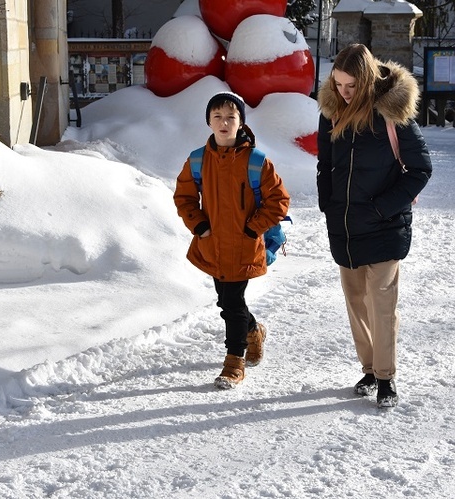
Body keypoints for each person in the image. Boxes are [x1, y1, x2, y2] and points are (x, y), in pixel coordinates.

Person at [316, 44, 432, 408]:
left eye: (351, 86)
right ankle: (369, 369)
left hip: (384, 227)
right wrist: (328, 204)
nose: (344, 93)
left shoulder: (391, 114)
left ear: (366, 80)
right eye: (338, 84)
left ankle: (385, 377)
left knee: (381, 304)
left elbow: (420, 170)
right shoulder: (332, 111)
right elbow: (325, 163)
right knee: (356, 303)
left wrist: (382, 208)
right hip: (345, 226)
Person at [174, 92, 290, 389]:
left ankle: (234, 362)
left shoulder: (256, 161)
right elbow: (184, 197)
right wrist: (199, 225)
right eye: (217, 117)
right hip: (212, 244)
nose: (224, 122)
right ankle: (254, 332)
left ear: (240, 122)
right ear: (209, 122)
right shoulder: (198, 160)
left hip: (245, 245)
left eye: (230, 117)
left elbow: (279, 200)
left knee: (233, 302)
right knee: (226, 301)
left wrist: (254, 229)